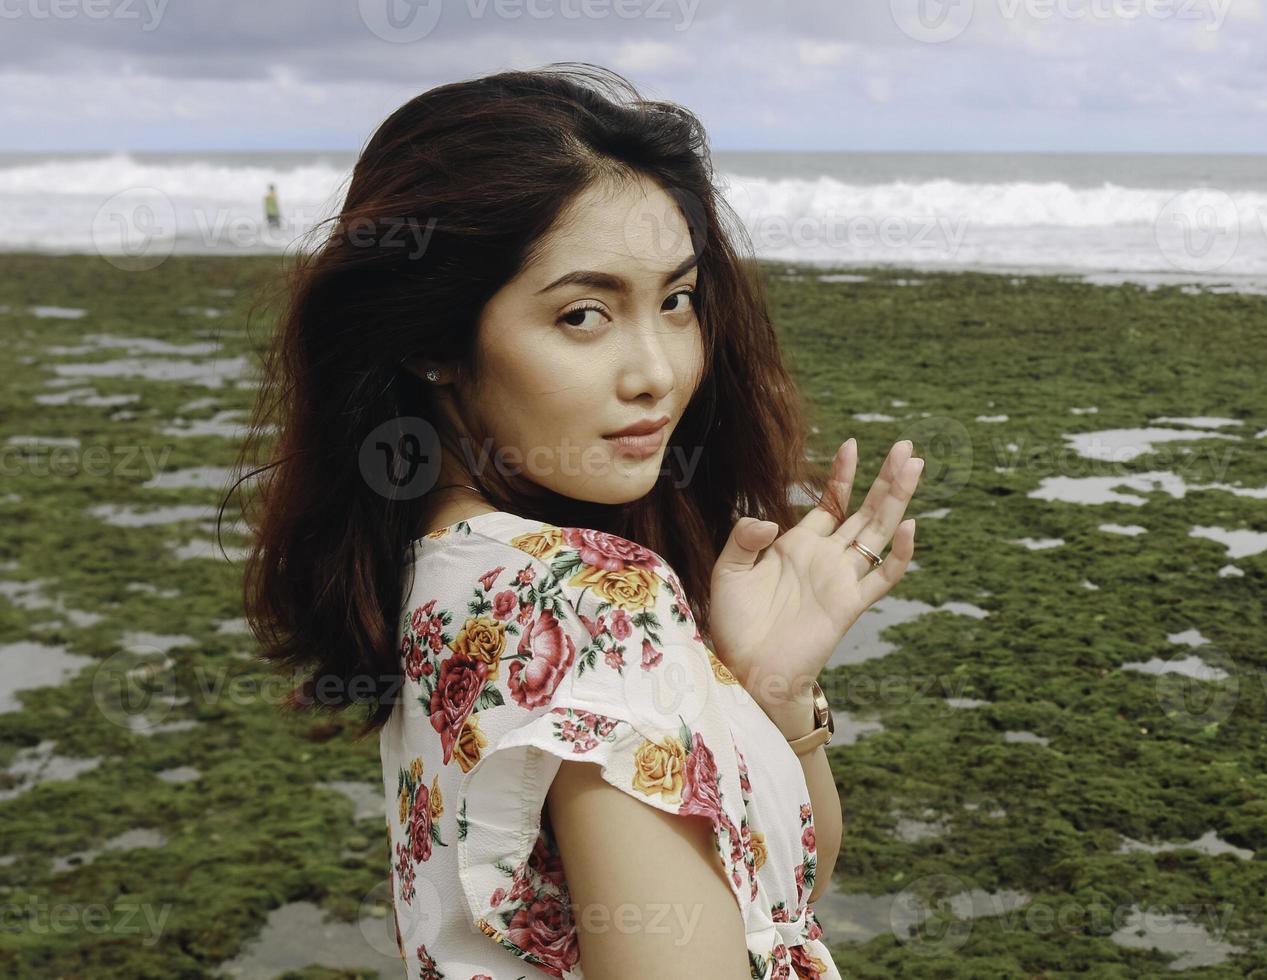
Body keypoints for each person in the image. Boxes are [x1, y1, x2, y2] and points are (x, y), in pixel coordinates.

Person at [234, 63, 922, 980]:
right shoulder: (588, 602)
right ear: (432, 337)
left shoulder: (438, 575)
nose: (657, 371)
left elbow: (778, 911)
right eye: (583, 315)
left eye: (676, 301)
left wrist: (772, 697)